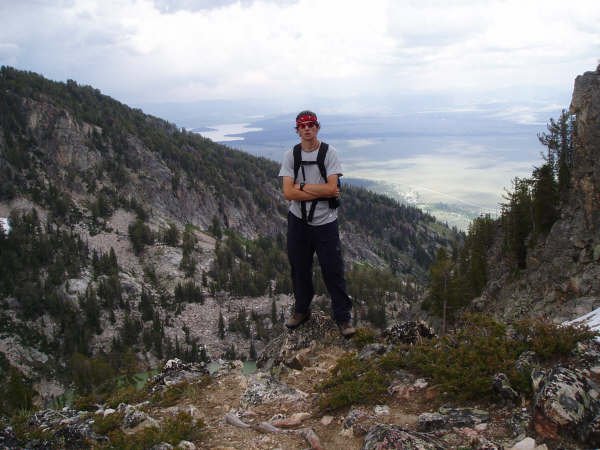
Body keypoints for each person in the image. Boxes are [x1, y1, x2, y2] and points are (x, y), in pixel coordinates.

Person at [278, 110, 355, 337]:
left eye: (311, 124)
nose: (307, 128)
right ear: (297, 130)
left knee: (333, 270)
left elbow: (333, 188)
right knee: (299, 268)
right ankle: (302, 310)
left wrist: (301, 187)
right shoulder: (291, 155)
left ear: (317, 127)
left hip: (325, 222)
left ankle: (343, 318)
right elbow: (287, 193)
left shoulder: (329, 153)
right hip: (298, 221)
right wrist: (316, 191)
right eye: (302, 126)